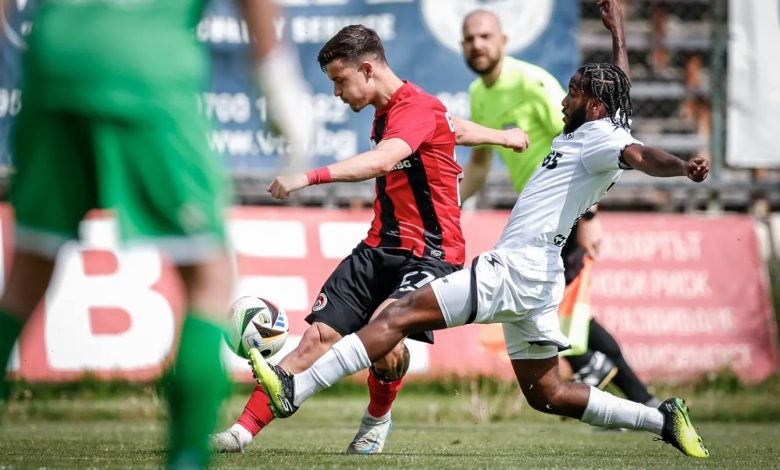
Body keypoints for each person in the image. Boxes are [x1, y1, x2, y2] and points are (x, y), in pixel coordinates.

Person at [251, 0, 710, 459]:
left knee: (395, 316)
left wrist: (681, 166)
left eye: (571, 94)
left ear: (593, 106)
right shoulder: (603, 121)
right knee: (547, 393)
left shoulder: (603, 139)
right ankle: (662, 418)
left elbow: (642, 156)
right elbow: (619, 86)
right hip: (539, 278)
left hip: (515, 269)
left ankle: (296, 388)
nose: (562, 101)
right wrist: (618, 33)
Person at [0, 0, 312, 467]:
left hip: (52, 65)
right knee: (209, 279)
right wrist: (276, 75)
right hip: (146, 71)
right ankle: (187, 458)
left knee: (24, 281)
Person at [210, 24, 529, 455]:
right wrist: (503, 136)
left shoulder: (415, 108)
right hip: (379, 247)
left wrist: (307, 177)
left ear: (366, 69)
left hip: (431, 254)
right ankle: (241, 432)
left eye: (340, 81)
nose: (337, 93)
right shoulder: (396, 111)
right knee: (316, 338)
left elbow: (382, 161)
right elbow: (452, 126)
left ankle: (375, 420)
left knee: (384, 334)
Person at [459, 7, 661, 406]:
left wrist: (590, 217)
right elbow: (480, 164)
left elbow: (591, 139)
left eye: (485, 36)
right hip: (536, 220)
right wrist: (452, 201)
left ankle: (606, 378)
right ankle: (629, 393)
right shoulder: (479, 94)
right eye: (469, 39)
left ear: (503, 41)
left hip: (566, 213)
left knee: (552, 307)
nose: (477, 45)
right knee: (568, 313)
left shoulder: (531, 83)